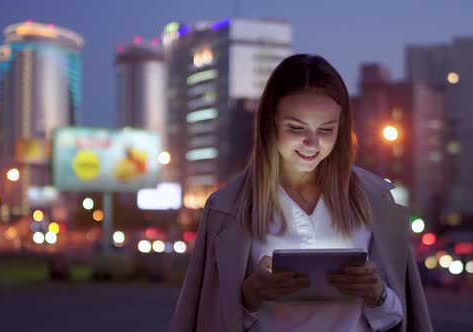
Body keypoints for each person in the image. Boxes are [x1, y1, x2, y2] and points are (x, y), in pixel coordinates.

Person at [170, 54, 433, 332]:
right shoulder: (227, 208)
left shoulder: (375, 201)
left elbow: (400, 319)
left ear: (342, 129)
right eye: (296, 127)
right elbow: (207, 320)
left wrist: (377, 295)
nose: (312, 143)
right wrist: (249, 298)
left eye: (327, 129)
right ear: (270, 123)